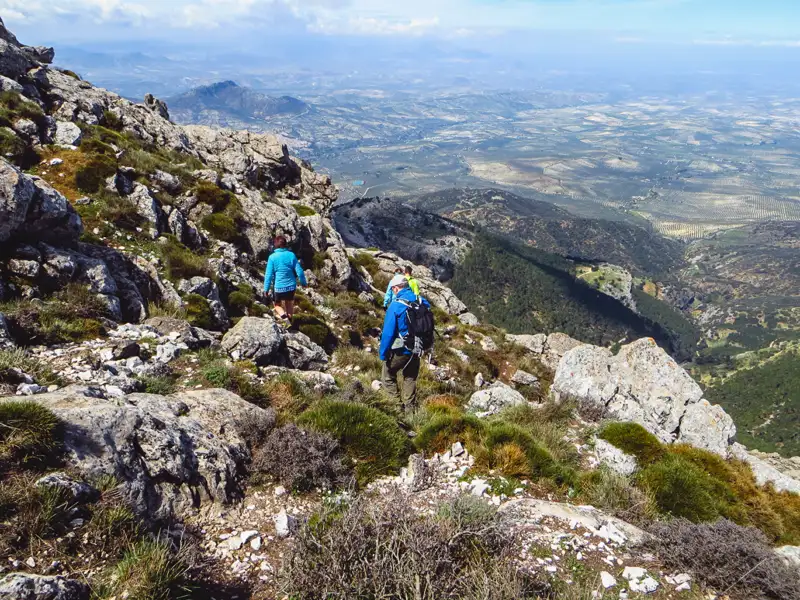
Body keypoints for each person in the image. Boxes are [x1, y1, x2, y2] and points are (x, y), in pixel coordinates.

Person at [380, 274, 431, 411]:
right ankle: (410, 411)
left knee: (388, 375)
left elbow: (388, 334)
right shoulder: (421, 300)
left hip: (402, 349)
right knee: (410, 378)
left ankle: (396, 408)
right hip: (418, 348)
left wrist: (383, 354)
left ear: (396, 288)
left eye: (392, 289)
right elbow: (427, 310)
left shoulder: (395, 306)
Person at [263, 235, 307, 322]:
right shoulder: (291, 255)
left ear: (275, 245)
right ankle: (290, 320)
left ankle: (284, 319)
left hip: (279, 287)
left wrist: (266, 289)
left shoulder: (272, 257)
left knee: (277, 305)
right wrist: (303, 283)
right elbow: (300, 272)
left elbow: (268, 275)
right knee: (289, 303)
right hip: (291, 286)